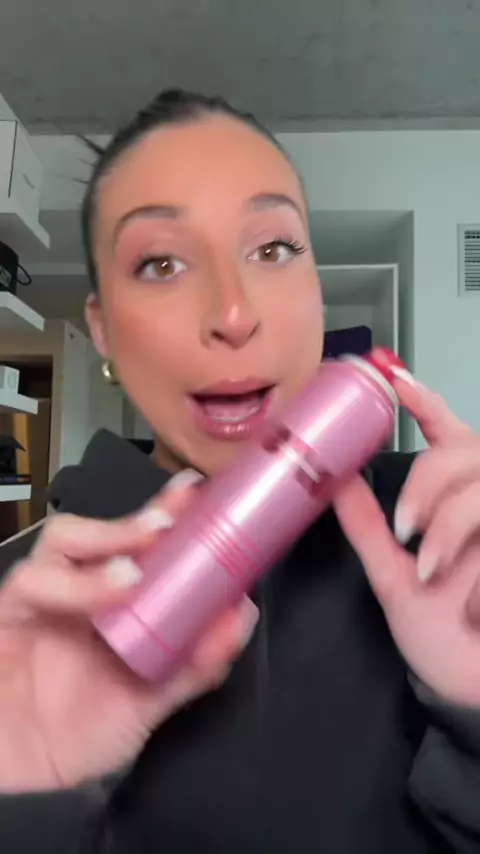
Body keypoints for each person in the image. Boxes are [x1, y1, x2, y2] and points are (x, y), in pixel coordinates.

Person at [1, 89, 480, 854]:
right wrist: (27, 799)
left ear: (316, 286)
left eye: (274, 249)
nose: (233, 312)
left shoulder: (449, 545)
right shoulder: (20, 612)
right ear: (102, 328)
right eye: (160, 263)